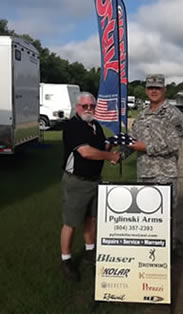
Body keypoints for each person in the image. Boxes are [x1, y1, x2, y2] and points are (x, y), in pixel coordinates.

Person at [60, 91, 120, 281]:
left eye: (91, 106)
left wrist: (112, 143)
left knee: (91, 218)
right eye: (84, 106)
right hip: (77, 181)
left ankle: (89, 251)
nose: (88, 109)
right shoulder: (72, 126)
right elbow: (85, 152)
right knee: (71, 222)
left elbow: (100, 148)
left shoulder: (96, 126)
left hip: (95, 179)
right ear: (77, 107)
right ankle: (66, 259)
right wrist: (111, 157)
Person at [122, 74, 183, 247]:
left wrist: (145, 147)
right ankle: (148, 253)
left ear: (164, 90)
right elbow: (132, 140)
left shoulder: (173, 114)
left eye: (157, 88)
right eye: (151, 88)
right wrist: (119, 154)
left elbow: (174, 144)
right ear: (146, 90)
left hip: (165, 176)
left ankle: (167, 254)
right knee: (146, 216)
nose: (154, 91)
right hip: (144, 174)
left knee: (165, 216)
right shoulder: (141, 116)